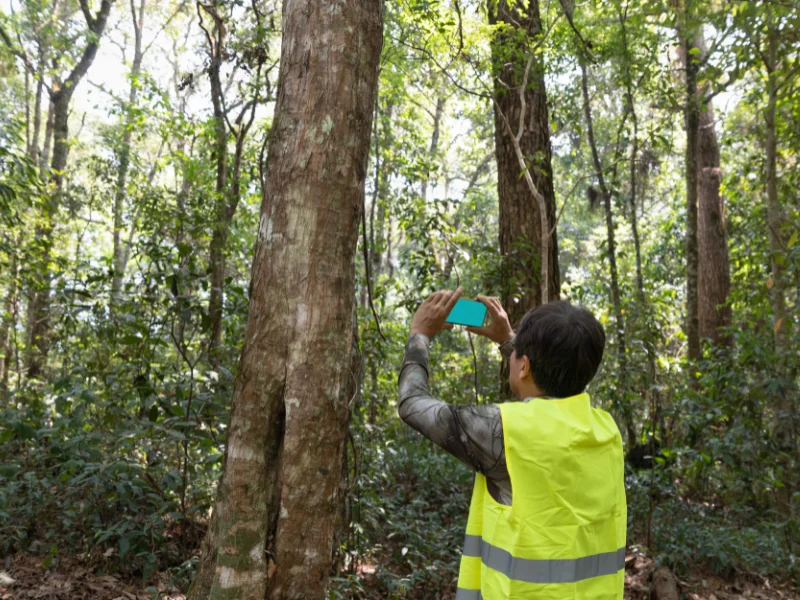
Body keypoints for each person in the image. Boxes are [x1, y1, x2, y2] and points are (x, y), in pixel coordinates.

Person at [398, 287, 626, 600]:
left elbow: (412, 404)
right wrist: (510, 343)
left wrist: (419, 334)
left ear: (524, 365)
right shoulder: (606, 430)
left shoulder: (505, 430)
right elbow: (550, 393)